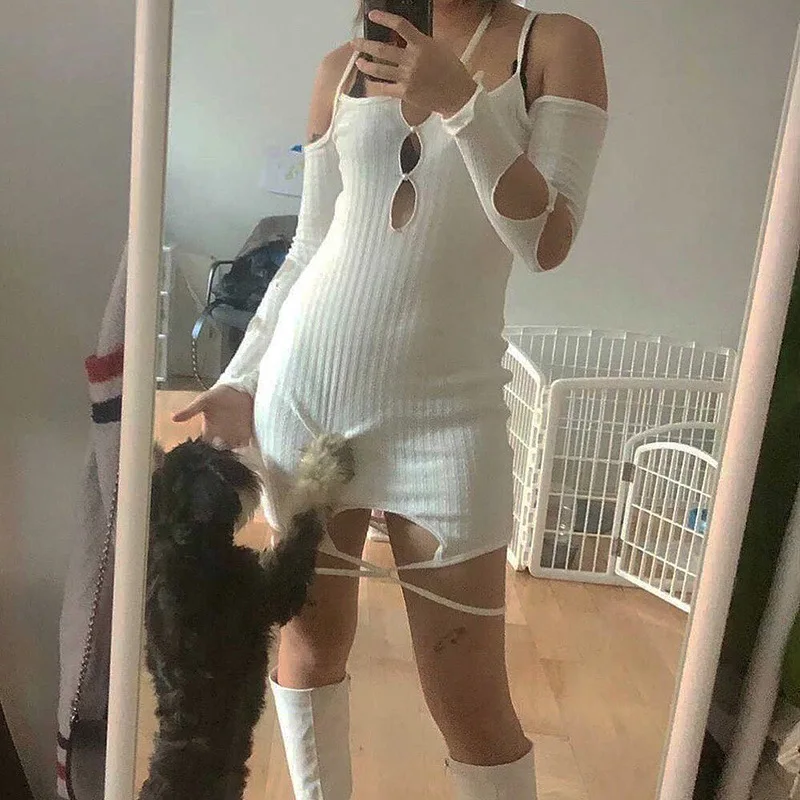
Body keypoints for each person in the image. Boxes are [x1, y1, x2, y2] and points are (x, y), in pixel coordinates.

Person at [174, 1, 608, 797]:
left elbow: (544, 241)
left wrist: (462, 104)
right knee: (311, 648)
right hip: (309, 395)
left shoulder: (555, 45)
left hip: (451, 417)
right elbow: (309, 246)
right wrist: (241, 377)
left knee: (470, 701)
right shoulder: (341, 68)